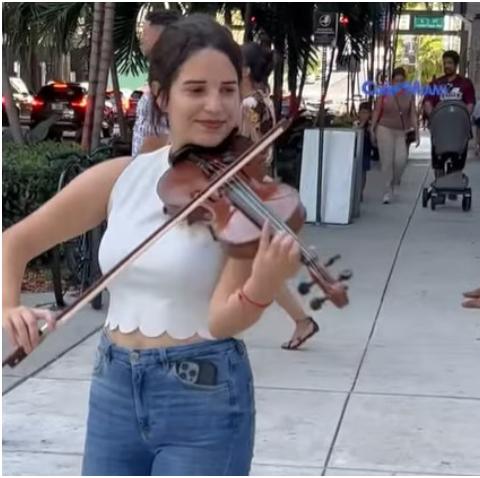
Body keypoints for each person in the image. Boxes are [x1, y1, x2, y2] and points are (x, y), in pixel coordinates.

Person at [3, 15, 301, 475]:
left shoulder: (244, 193)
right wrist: (11, 308)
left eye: (227, 89)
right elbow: (15, 242)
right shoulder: (121, 177)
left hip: (203, 395)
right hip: (113, 387)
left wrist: (262, 285)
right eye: (196, 89)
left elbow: (223, 320)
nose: (216, 105)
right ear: (162, 96)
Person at [238, 41, 319, 350]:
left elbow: (241, 149)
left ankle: (300, 320)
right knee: (252, 264)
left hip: (246, 189)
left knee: (248, 263)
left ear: (244, 70)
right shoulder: (264, 101)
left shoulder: (246, 106)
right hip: (259, 185)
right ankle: (301, 320)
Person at [131, 9, 181, 158]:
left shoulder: (176, 78)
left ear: (162, 36)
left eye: (145, 33)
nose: (141, 38)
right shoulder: (156, 74)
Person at [370, 67, 419, 205]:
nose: (399, 83)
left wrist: (416, 131)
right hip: (384, 128)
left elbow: (413, 114)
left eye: (402, 81)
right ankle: (387, 190)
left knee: (401, 161)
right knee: (387, 162)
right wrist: (372, 128)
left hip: (400, 131)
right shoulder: (384, 93)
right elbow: (377, 110)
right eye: (396, 81)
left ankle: (394, 181)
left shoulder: (409, 94)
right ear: (392, 81)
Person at [423, 50, 476, 116]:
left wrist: (462, 119)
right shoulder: (435, 84)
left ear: (456, 64)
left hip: (459, 123)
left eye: (449, 63)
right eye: (444, 63)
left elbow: (470, 104)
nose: (446, 66)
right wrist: (433, 119)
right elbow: (427, 103)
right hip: (439, 122)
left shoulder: (466, 83)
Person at [355, 102, 378, 203]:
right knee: (356, 173)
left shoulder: (371, 126)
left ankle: (360, 192)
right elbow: (354, 133)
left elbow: (374, 143)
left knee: (363, 173)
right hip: (355, 151)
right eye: (362, 112)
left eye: (366, 113)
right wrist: (362, 125)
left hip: (366, 152)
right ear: (359, 113)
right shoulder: (355, 124)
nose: (364, 115)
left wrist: (371, 131)